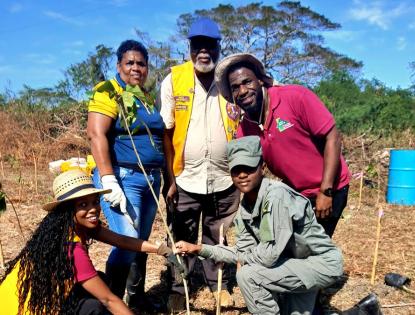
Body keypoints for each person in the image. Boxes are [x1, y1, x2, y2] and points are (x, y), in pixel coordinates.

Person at [175, 136, 344, 315]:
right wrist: (199, 248)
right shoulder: (245, 209)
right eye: (236, 170)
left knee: (248, 275)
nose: (242, 175)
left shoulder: (276, 197)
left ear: (262, 167)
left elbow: (268, 257)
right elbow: (242, 252)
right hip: (293, 264)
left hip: (319, 264)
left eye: (248, 168)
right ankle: (364, 309)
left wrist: (243, 259)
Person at [0, 169, 178, 315]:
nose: (93, 209)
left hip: (28, 300)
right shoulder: (71, 248)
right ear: (69, 210)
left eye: (95, 202)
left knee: (100, 280)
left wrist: (160, 249)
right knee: (94, 307)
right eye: (83, 205)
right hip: (25, 309)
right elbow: (109, 300)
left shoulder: (74, 228)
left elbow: (121, 240)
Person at [214, 53, 351, 238]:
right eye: (235, 87)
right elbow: (250, 171)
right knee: (288, 248)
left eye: (247, 82)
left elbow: (333, 137)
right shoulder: (244, 130)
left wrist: (325, 191)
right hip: (295, 193)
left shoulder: (295, 97)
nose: (243, 91)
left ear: (261, 80)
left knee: (312, 250)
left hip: (330, 187)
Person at [159, 17, 241, 311]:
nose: (203, 51)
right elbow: (167, 133)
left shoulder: (230, 81)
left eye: (210, 45)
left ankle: (218, 285)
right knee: (180, 235)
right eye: (198, 45)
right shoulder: (174, 79)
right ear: (190, 47)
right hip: (185, 177)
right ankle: (179, 288)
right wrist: (170, 180)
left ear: (219, 48)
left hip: (224, 177)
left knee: (217, 235)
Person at [87, 40, 164, 309]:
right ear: (118, 65)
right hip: (122, 178)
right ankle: (112, 303)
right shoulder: (109, 91)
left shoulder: (145, 97)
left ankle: (137, 297)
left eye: (141, 63)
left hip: (151, 180)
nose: (136, 68)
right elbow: (96, 134)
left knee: (139, 243)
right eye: (129, 62)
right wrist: (109, 180)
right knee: (127, 241)